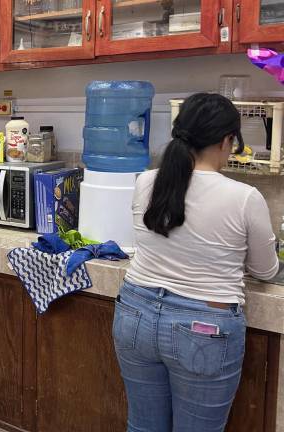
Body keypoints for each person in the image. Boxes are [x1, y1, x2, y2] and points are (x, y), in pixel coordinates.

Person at [114, 93, 279, 432]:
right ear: (226, 141)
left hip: (135, 313)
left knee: (143, 427)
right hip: (204, 327)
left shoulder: (146, 181)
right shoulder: (245, 197)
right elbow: (266, 270)